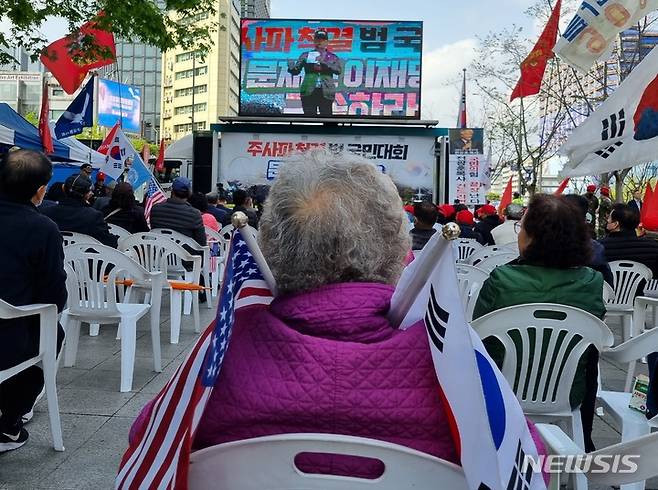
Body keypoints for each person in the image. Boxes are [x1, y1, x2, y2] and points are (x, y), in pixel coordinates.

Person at [474, 193, 605, 452]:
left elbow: (476, 336)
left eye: (521, 227)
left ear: (533, 237)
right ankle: (583, 445)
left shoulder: (501, 279)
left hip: (499, 393)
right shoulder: (592, 282)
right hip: (569, 394)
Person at [0, 150, 67, 452]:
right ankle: (9, 422)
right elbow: (54, 297)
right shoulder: (42, 229)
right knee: (53, 332)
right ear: (40, 190)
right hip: (7, 339)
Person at [41, 173, 118, 248]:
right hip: (83, 259)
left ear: (64, 189)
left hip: (52, 257)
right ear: (87, 195)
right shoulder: (93, 216)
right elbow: (110, 243)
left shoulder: (45, 211)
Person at [563, 194, 614, 286]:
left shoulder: (539, 246)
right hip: (583, 298)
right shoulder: (595, 248)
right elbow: (608, 285)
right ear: (585, 219)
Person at [287, 30, 342, 116]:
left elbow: (338, 70)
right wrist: (291, 67)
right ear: (314, 41)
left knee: (327, 117)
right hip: (309, 90)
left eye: (323, 40)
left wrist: (324, 63)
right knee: (309, 116)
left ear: (327, 42)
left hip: (326, 91)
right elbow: (296, 71)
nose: (320, 42)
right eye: (318, 39)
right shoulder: (306, 55)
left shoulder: (332, 57)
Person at [599, 203, 658, 279]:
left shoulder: (597, 247)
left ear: (615, 224)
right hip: (643, 290)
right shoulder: (654, 247)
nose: (607, 220)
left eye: (609, 218)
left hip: (606, 289)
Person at [150, 176, 206, 246]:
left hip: (159, 254)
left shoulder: (155, 209)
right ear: (189, 193)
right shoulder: (194, 214)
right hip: (185, 256)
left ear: (172, 191)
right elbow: (201, 243)